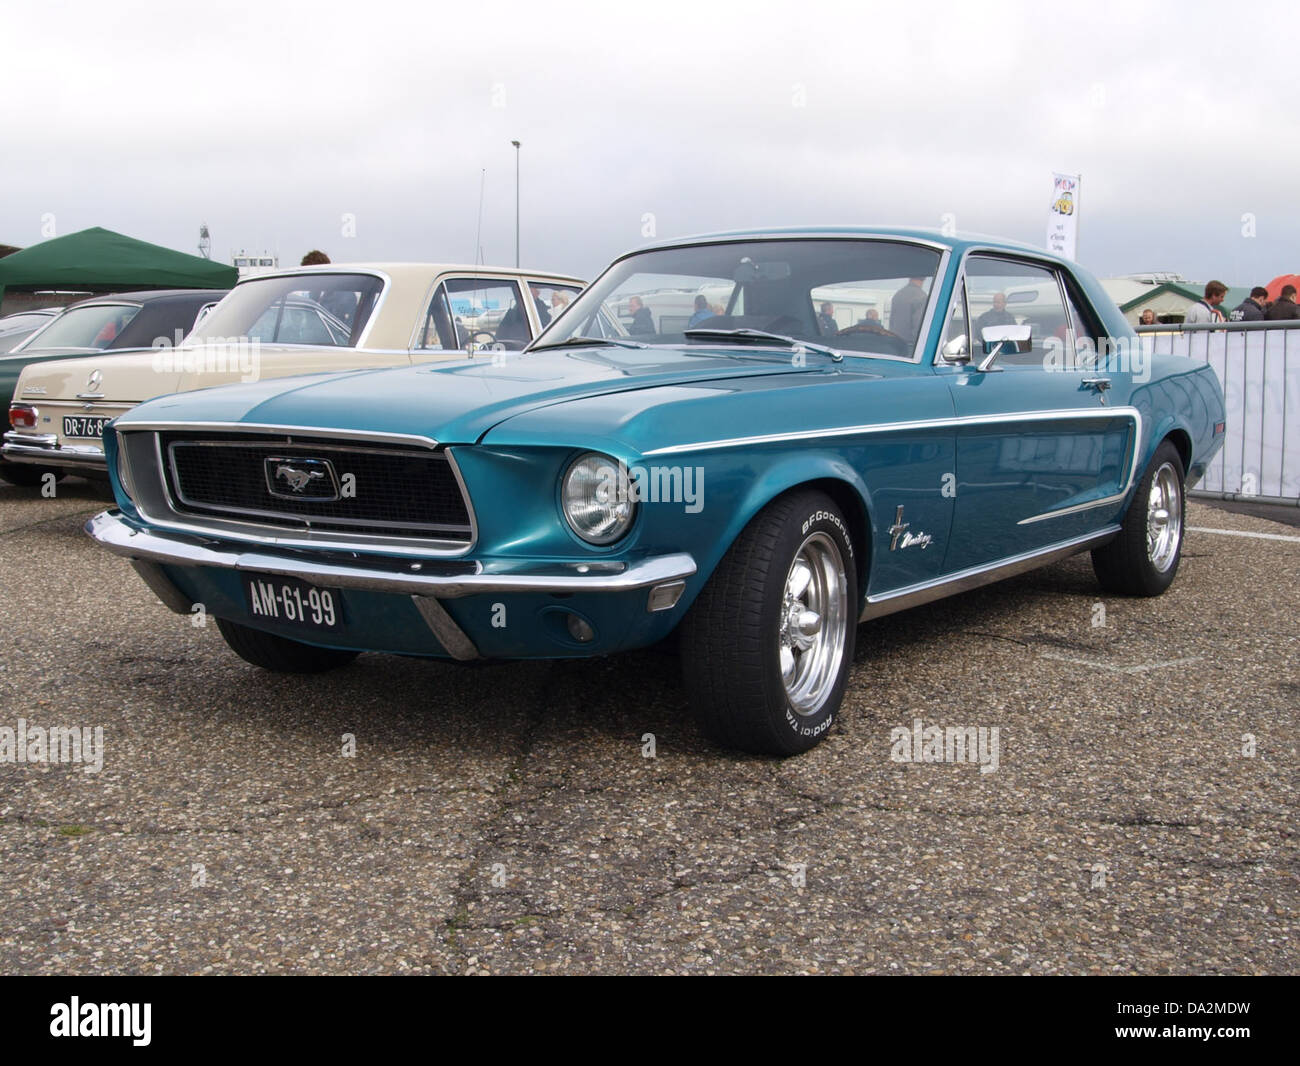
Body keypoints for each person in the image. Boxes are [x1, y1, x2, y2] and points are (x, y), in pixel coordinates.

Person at [889, 277, 929, 343]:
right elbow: (918, 325)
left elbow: (892, 321)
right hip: (910, 345)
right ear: (923, 279)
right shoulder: (921, 296)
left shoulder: (898, 294)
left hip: (894, 342)